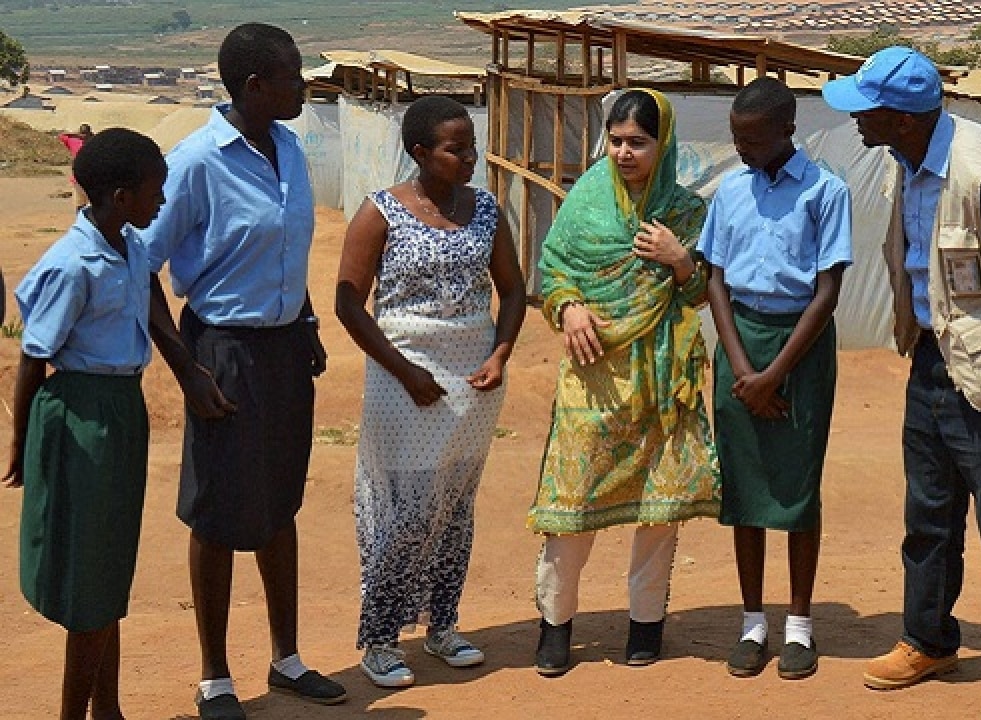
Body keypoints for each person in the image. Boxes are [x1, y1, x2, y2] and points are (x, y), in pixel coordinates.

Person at [823, 46, 981, 719]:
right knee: (930, 515)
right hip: (930, 363)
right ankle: (928, 639)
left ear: (902, 117)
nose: (855, 122)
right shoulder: (904, 162)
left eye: (865, 110)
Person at [139, 23, 345, 719]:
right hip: (222, 351)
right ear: (256, 87)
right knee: (220, 512)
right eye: (292, 75)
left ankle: (286, 659)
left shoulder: (289, 147)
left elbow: (285, 247)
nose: (304, 85)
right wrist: (188, 371)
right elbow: (143, 269)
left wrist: (307, 318)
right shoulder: (196, 162)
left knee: (279, 502)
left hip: (286, 350)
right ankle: (215, 677)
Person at [335, 96, 525, 688]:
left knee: (454, 506)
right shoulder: (380, 213)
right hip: (403, 378)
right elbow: (348, 303)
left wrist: (499, 354)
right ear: (420, 152)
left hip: (474, 381)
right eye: (455, 148)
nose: (469, 157)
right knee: (407, 509)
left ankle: (442, 626)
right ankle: (382, 638)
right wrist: (405, 370)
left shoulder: (489, 211)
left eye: (472, 146)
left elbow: (514, 292)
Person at [530, 88, 720, 677]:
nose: (624, 153)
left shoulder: (686, 213)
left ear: (663, 145)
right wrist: (569, 309)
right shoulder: (585, 200)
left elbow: (701, 293)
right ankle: (554, 627)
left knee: (659, 512)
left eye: (638, 142)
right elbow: (554, 270)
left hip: (663, 382)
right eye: (615, 141)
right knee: (572, 503)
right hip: (594, 381)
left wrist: (679, 258)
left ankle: (646, 626)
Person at [5, 128, 167, 720]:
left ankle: (110, 710)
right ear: (121, 197)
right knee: (91, 582)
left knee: (108, 570)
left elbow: (151, 308)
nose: (163, 203)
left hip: (122, 409)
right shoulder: (73, 263)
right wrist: (22, 444)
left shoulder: (131, 245)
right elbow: (33, 357)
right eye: (156, 192)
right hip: (80, 416)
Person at [698, 77, 852, 681]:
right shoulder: (731, 191)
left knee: (796, 486)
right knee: (745, 487)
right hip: (740, 345)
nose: (740, 148)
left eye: (752, 138)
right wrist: (742, 369)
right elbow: (713, 278)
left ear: (787, 130)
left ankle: (800, 627)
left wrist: (775, 374)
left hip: (801, 349)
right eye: (736, 137)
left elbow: (828, 291)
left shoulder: (825, 191)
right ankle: (752, 623)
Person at [57, 123, 94, 210]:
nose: (84, 136)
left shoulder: (93, 143)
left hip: (92, 179)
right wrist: (75, 134)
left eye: (86, 134)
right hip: (78, 178)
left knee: (92, 204)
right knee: (80, 204)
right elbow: (61, 136)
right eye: (82, 133)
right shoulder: (74, 141)